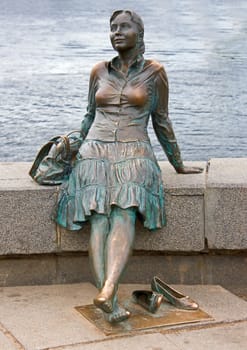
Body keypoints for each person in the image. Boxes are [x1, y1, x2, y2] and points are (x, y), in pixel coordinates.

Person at [55, 9, 203, 323]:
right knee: (98, 215)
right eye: (112, 28)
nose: (116, 32)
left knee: (124, 209)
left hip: (135, 149)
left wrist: (178, 164)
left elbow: (161, 121)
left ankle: (108, 290)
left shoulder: (155, 72)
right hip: (95, 149)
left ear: (139, 32)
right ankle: (107, 296)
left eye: (124, 27)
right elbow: (88, 116)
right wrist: (72, 145)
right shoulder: (98, 71)